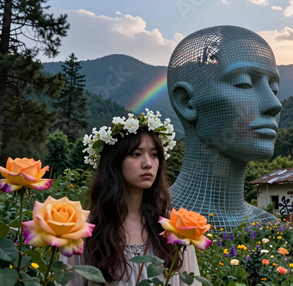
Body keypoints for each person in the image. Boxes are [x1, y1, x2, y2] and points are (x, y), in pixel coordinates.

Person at [61, 110, 200, 285]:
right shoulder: (85, 228)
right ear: (115, 161)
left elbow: (192, 281)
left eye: (154, 154)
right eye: (136, 154)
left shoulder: (176, 227)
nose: (148, 163)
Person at [167, 25, 281, 231]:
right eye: (243, 83)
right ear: (187, 102)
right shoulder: (147, 221)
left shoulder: (269, 227)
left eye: (274, 89)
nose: (273, 104)